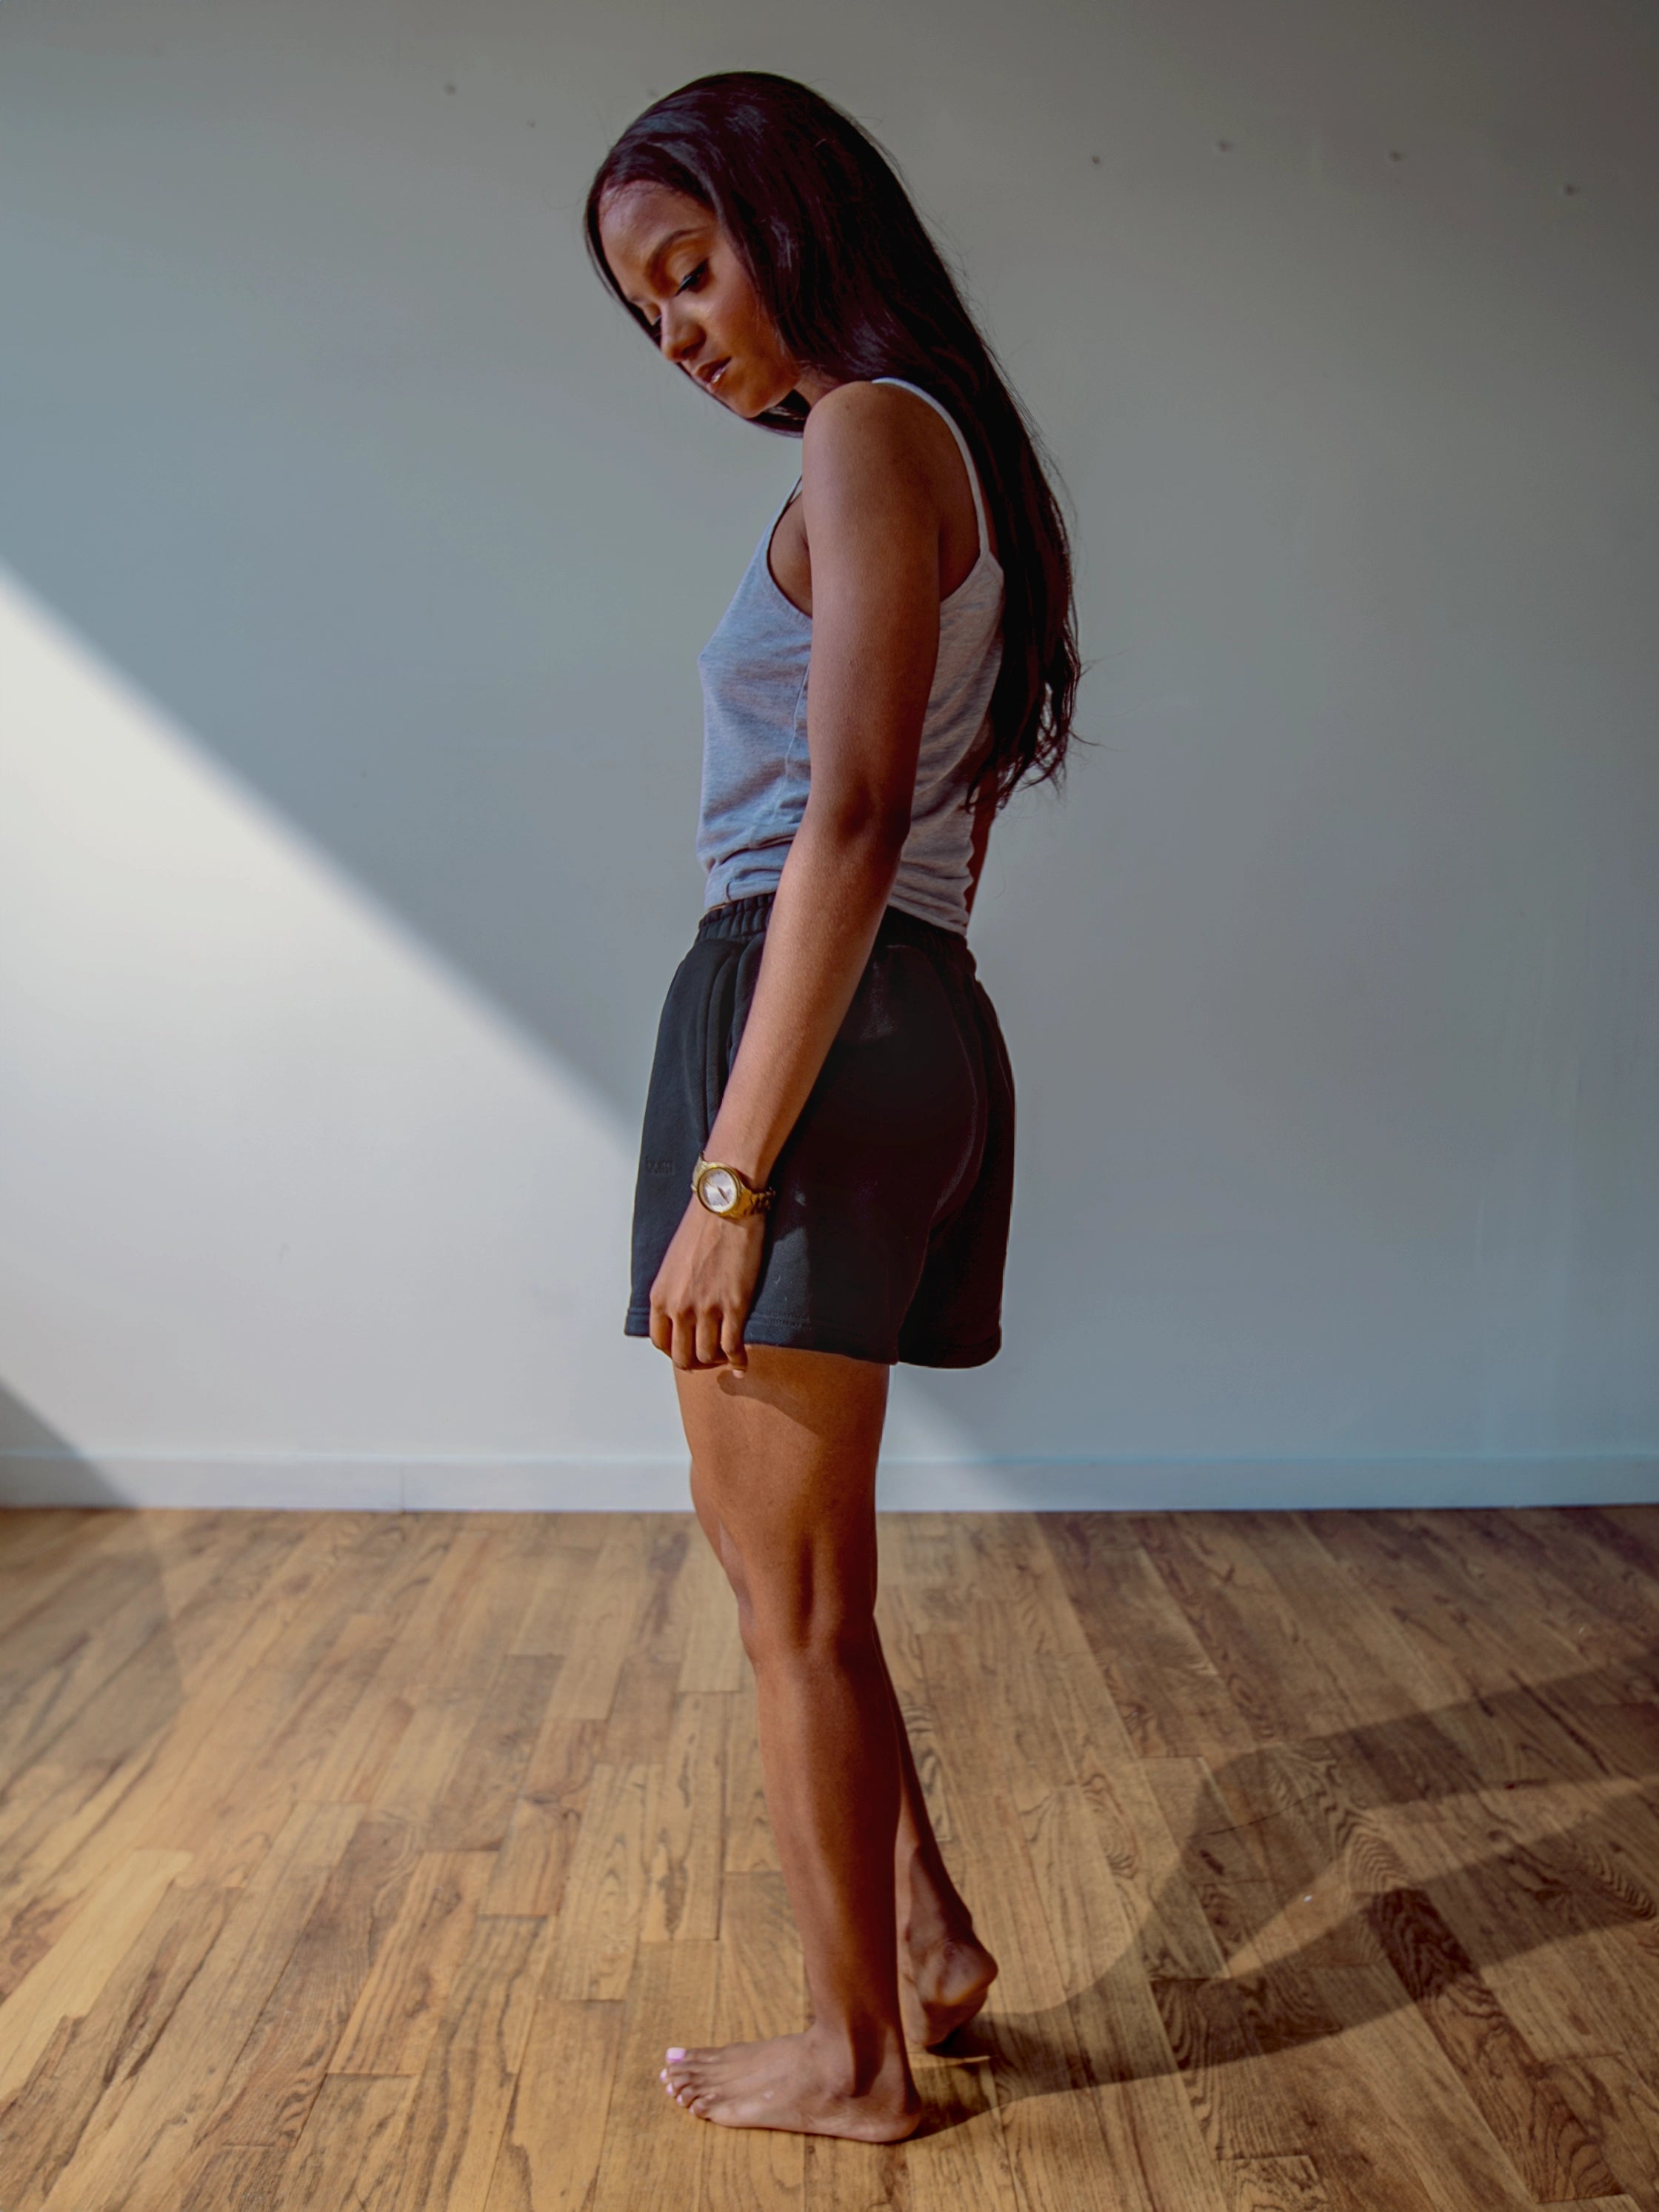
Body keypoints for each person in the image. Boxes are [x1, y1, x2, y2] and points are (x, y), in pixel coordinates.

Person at [584, 70, 1081, 2142]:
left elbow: (854, 813)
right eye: (648, 308)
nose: (678, 329)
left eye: (692, 268)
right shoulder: (943, 456)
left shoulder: (872, 430)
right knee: (776, 1555)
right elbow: (929, 819)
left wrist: (730, 1173)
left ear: (793, 216)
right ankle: (929, 1942)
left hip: (804, 1008)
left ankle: (860, 2056)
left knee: (791, 1600)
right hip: (909, 1007)